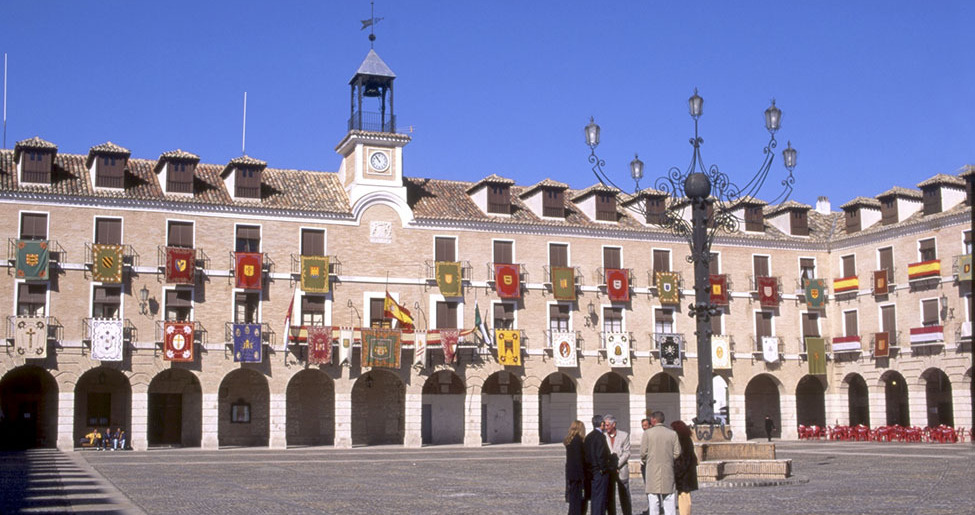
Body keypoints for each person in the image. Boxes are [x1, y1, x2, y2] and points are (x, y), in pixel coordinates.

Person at [640, 411, 681, 515]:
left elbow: (643, 453)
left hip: (652, 470)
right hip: (668, 470)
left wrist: (648, 461)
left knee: (653, 501)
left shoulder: (647, 433)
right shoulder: (672, 434)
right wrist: (668, 459)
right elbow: (677, 452)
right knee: (669, 501)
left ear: (653, 420)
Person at [603, 414, 632, 515]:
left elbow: (627, 452)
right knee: (610, 496)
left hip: (621, 469)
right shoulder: (603, 436)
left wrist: (617, 465)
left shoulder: (624, 435)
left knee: (624, 495)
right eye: (605, 425)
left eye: (607, 425)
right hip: (609, 471)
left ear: (613, 424)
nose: (605, 427)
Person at [584, 415, 612, 515]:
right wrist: (604, 468)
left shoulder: (589, 436)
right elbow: (601, 455)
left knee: (595, 498)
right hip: (599, 472)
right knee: (600, 498)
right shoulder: (600, 437)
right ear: (601, 424)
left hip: (591, 471)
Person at [670, 421, 698, 515]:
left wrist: (677, 472)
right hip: (688, 472)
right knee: (685, 496)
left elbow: (684, 458)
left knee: (683, 496)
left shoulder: (681, 439)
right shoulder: (687, 439)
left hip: (684, 474)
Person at [564, 420, 588, 515]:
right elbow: (579, 459)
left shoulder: (569, 440)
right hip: (578, 474)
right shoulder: (578, 441)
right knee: (577, 499)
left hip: (571, 473)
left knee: (573, 498)